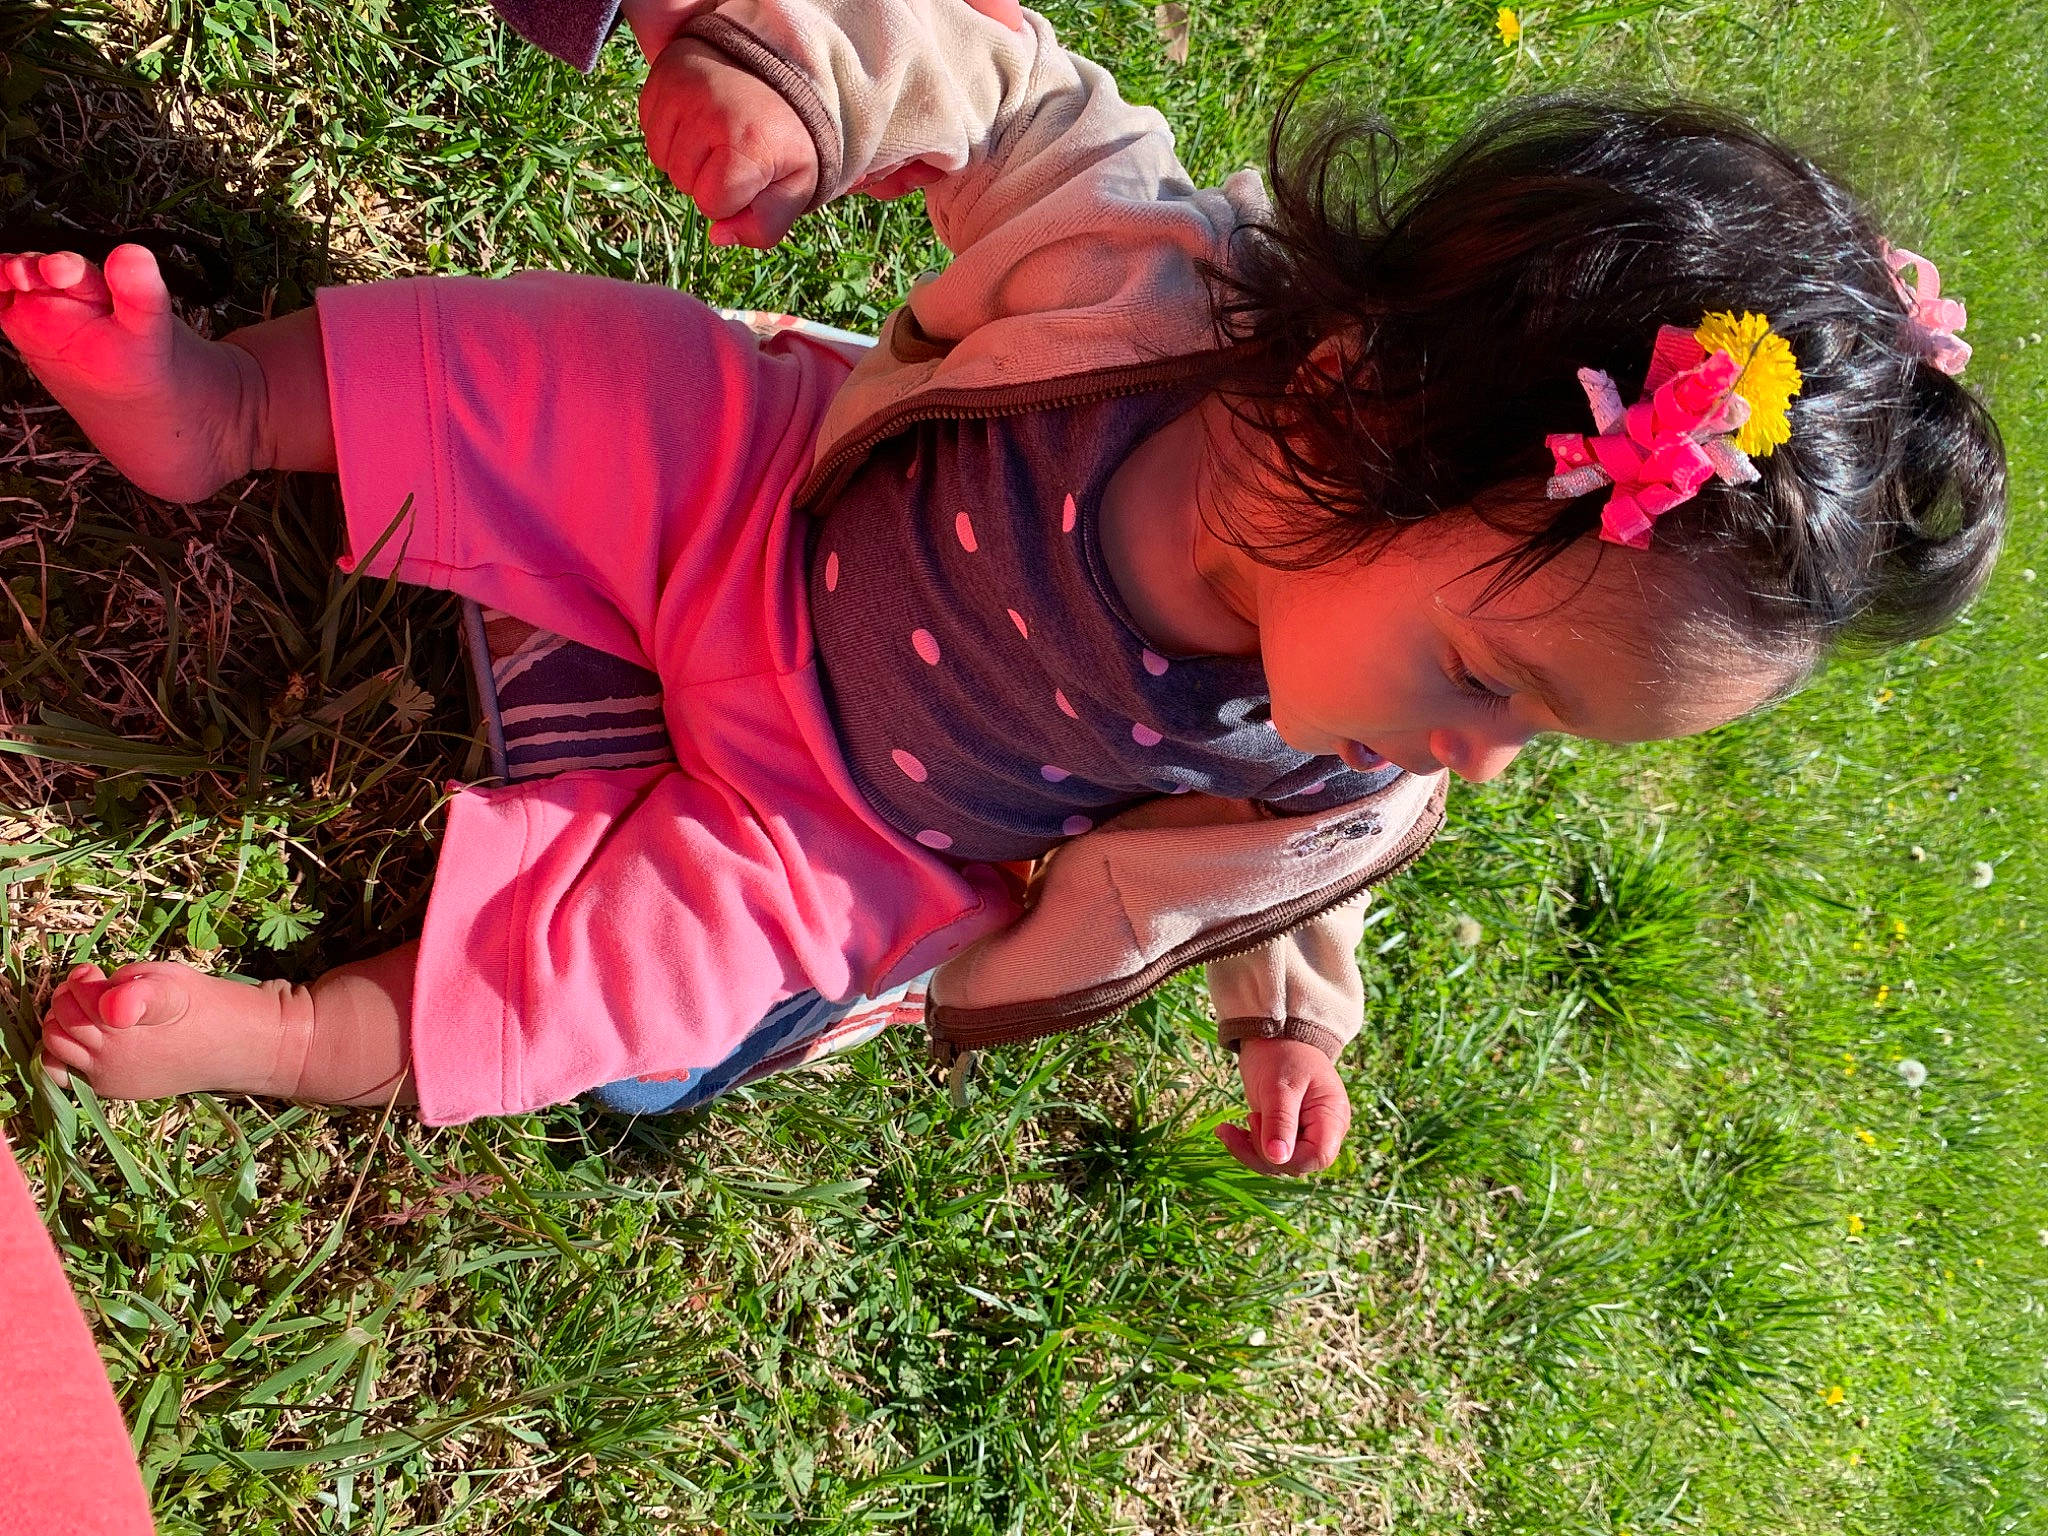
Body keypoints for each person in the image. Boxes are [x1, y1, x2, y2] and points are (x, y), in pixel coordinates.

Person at [2, 0, 2003, 1178]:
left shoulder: (1341, 766)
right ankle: (223, 407)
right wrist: (804, 82)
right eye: (1495, 680)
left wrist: (1287, 1024)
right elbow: (1004, 82)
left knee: (627, 991)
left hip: (838, 831)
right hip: (762, 505)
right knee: (580, 366)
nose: (1476, 763)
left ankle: (291, 1031)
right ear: (1359, 404)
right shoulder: (1158, 292)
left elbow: (1291, 886)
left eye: (1535, 735)